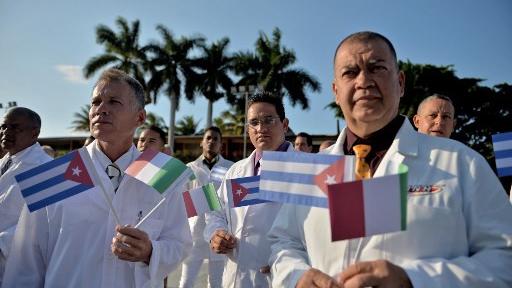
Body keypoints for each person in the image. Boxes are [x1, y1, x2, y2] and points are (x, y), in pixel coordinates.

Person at [268, 31, 512, 288]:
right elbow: (283, 242)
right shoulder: (312, 171)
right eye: (350, 73)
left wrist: (415, 280)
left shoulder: (462, 164)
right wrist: (296, 276)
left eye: (377, 68)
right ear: (336, 91)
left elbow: (505, 258)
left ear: (400, 82)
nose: (364, 81)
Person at [2, 69, 192, 287]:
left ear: (139, 117)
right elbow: (26, 261)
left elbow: (180, 243)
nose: (101, 109)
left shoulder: (162, 175)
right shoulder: (55, 175)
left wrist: (151, 252)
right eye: (96, 102)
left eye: (113, 102)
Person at [204, 91, 293, 287]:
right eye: (254, 122)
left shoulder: (305, 172)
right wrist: (216, 232)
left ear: (284, 125)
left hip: (281, 278)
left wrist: (295, 264)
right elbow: (215, 210)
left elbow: (318, 231)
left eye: (268, 120)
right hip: (236, 274)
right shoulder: (236, 170)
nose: (261, 128)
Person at [0, 107, 53, 285]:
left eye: (15, 127)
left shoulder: (46, 169)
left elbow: (43, 223)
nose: (6, 132)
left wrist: (2, 243)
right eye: (3, 126)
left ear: (34, 133)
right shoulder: (4, 162)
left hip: (17, 264)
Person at [179, 126, 234, 288]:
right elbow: (181, 199)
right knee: (186, 282)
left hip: (219, 233)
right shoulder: (189, 168)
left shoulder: (231, 168)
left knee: (216, 283)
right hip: (194, 233)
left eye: (216, 139)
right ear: (202, 143)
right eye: (208, 138)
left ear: (221, 145)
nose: (211, 141)